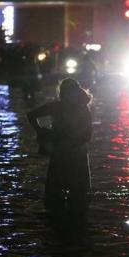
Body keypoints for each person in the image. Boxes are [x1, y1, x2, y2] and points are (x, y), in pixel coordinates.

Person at [27, 78, 93, 214]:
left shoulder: (58, 106)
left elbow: (31, 115)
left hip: (62, 152)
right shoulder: (81, 109)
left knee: (56, 193)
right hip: (75, 153)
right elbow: (88, 135)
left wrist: (42, 132)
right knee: (79, 195)